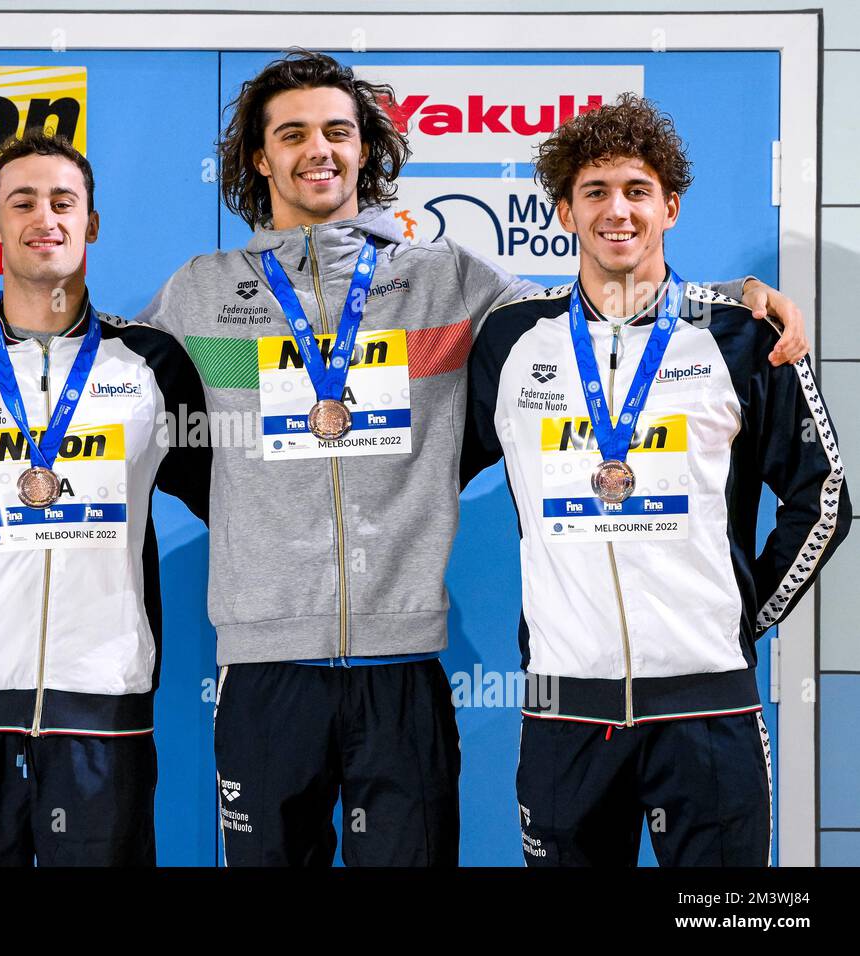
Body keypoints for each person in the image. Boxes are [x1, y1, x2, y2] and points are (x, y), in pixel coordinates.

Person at [136, 50, 810, 867]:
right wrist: (237, 500)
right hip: (263, 662)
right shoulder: (201, 289)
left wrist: (738, 296)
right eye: (294, 133)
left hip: (405, 661)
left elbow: (603, 297)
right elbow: (113, 392)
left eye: (338, 131)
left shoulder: (450, 280)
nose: (320, 149)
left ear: (365, 148)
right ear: (258, 155)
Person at [462, 93, 851, 866]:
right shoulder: (509, 338)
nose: (618, 211)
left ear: (669, 206)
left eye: (638, 190)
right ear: (565, 211)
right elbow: (425, 471)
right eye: (595, 191)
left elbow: (825, 499)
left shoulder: (743, 335)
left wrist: (741, 616)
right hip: (564, 710)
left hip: (710, 709)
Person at [0, 131, 210, 866]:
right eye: (23, 201)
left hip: (102, 707)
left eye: (62, 201)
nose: (44, 216)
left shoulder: (153, 363)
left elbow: (223, 501)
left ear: (91, 223)